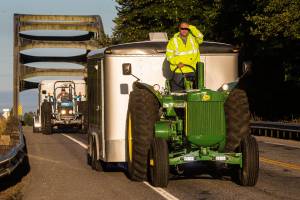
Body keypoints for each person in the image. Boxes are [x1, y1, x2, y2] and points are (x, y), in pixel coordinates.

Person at [166, 22, 204, 91]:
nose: (184, 30)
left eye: (186, 28)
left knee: (195, 94)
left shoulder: (194, 39)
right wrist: (177, 63)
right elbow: (169, 56)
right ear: (179, 29)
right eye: (182, 28)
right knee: (177, 94)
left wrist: (191, 27)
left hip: (193, 70)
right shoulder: (173, 41)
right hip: (179, 71)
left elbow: (200, 36)